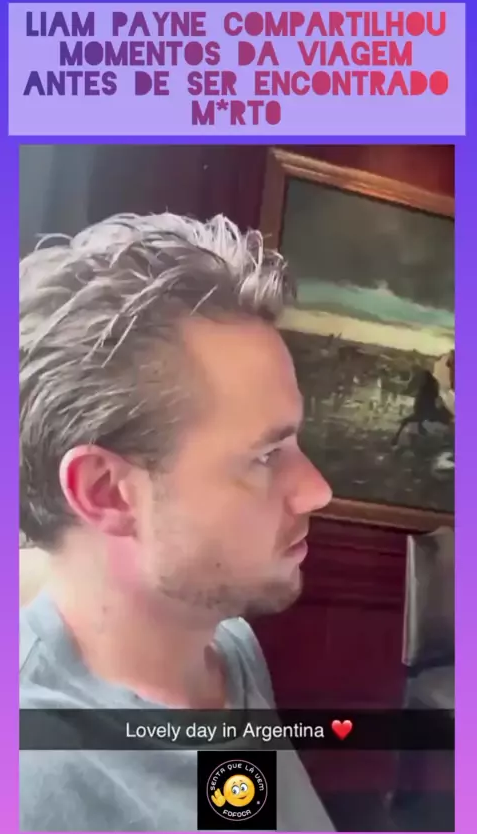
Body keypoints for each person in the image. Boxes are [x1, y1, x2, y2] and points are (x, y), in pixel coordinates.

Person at [19, 213, 334, 831]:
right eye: (266, 456)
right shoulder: (36, 785)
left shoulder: (225, 646)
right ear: (107, 492)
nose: (317, 491)